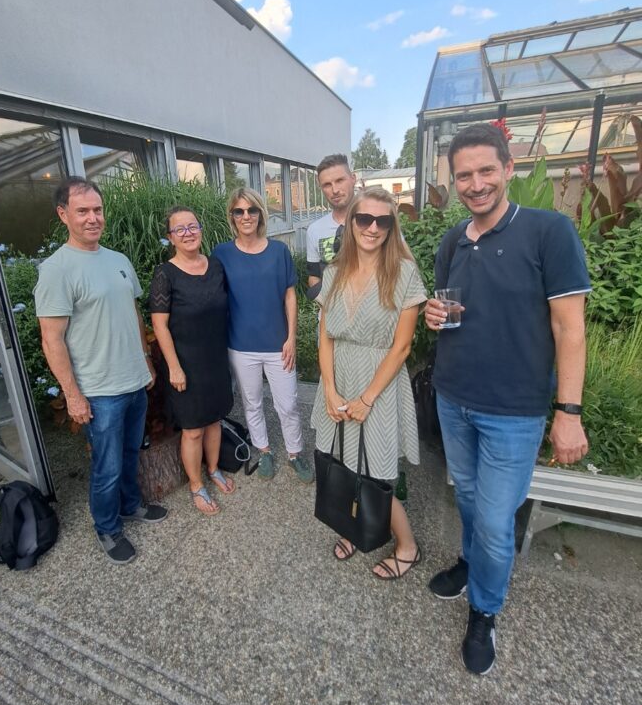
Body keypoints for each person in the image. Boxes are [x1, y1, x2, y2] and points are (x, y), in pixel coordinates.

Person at [424, 122, 590, 675]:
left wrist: (568, 413)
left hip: (514, 412)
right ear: (454, 181)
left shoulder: (548, 232)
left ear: (508, 169)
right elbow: (451, 316)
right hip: (454, 397)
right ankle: (471, 564)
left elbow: (570, 330)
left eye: (486, 171)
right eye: (464, 175)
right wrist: (435, 317)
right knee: (470, 500)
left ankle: (484, 612)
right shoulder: (451, 241)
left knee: (496, 519)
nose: (476, 184)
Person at [34, 176, 168, 565]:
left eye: (97, 210)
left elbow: (133, 313)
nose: (93, 218)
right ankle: (107, 528)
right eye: (83, 211)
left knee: (130, 453)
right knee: (106, 467)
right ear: (64, 215)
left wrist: (145, 360)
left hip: (132, 380)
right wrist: (73, 395)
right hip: (99, 391)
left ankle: (130, 506)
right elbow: (51, 339)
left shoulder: (118, 260)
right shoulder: (57, 270)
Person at [311, 187, 426, 578]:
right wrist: (329, 389)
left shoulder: (405, 273)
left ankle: (407, 546)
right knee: (342, 461)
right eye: (364, 219)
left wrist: (366, 398)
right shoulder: (335, 272)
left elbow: (403, 346)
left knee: (376, 471)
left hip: (379, 381)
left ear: (392, 226)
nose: (372, 228)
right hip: (338, 375)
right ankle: (351, 526)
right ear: (352, 222)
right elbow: (325, 337)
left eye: (383, 220)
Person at [213, 188, 313, 483]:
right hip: (241, 345)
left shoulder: (278, 251)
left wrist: (291, 337)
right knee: (252, 401)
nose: (246, 216)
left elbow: (290, 296)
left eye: (252, 210)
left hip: (278, 344)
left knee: (289, 403)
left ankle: (295, 453)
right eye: (239, 211)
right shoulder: (221, 253)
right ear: (232, 217)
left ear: (260, 214)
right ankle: (264, 450)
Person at [149, 206, 234, 516]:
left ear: (200, 229)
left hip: (215, 358)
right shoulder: (165, 274)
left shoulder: (215, 266)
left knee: (214, 421)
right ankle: (196, 484)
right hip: (185, 363)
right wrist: (173, 366)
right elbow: (159, 325)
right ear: (170, 237)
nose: (187, 233)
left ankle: (213, 469)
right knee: (193, 429)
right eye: (179, 229)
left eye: (192, 226)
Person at [306, 154, 358, 299]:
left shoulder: (375, 222)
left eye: (340, 180)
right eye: (327, 184)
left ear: (353, 178)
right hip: (329, 317)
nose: (334, 190)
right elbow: (313, 276)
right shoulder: (314, 230)